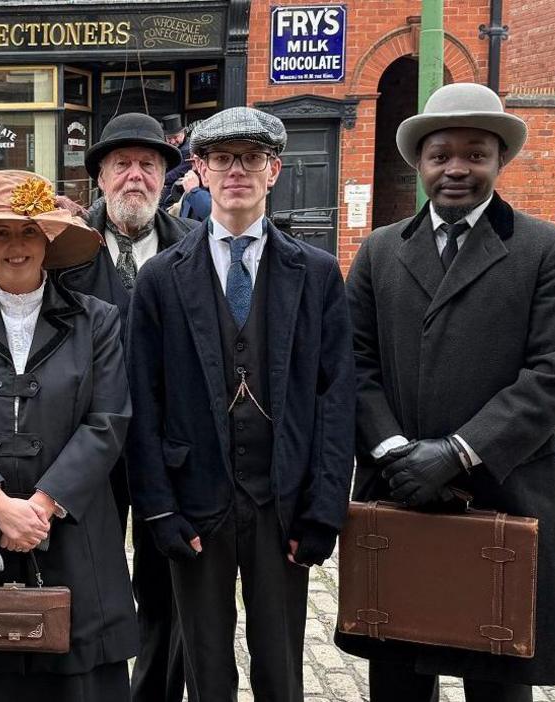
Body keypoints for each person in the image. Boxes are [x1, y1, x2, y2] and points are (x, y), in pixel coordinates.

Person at [338, 82, 555, 702]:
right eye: (440, 154)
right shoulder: (379, 251)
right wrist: (395, 451)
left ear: (499, 161)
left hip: (505, 486)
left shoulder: (545, 250)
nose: (456, 168)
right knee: (398, 671)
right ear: (419, 163)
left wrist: (454, 452)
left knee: (497, 676)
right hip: (399, 494)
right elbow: (353, 362)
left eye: (475, 154)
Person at [125, 106, 355, 702]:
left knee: (281, 665)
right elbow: (142, 404)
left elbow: (336, 399)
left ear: (274, 170)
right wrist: (157, 512)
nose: (237, 171)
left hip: (281, 499)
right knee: (205, 666)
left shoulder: (319, 275)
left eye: (252, 159)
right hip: (196, 498)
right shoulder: (159, 278)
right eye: (223, 158)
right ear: (199, 168)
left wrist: (324, 510)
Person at [0, 169, 137, 701]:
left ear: (48, 240)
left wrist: (41, 505)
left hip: (72, 535)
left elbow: (108, 421)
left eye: (28, 232)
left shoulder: (97, 321)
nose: (16, 247)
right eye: (1, 234)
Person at [54, 111, 190, 702]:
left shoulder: (194, 247)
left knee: (168, 587)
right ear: (100, 178)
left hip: (170, 448)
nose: (135, 176)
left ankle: (154, 692)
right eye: (122, 165)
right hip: (86, 446)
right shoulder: (63, 249)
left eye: (148, 164)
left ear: (165, 176)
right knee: (84, 577)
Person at [159, 114, 191, 207]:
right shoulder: (166, 147)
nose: (172, 142)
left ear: (183, 133)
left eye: (175, 137)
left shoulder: (188, 150)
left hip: (178, 193)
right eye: (169, 138)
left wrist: (158, 180)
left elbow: (176, 172)